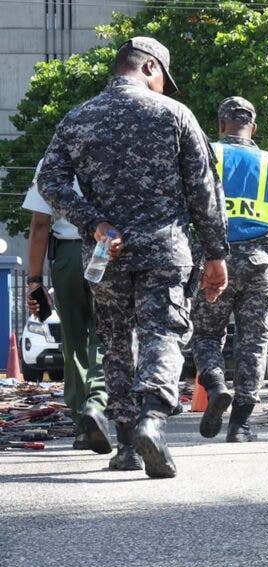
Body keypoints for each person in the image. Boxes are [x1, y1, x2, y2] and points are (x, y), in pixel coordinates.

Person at [38, 37, 229, 479]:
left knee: (117, 342)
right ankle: (151, 419)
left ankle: (126, 447)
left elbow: (50, 181)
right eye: (163, 77)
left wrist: (93, 222)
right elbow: (204, 192)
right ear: (148, 67)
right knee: (163, 331)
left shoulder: (78, 118)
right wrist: (217, 254)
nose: (164, 87)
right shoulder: (175, 116)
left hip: (107, 251)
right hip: (165, 248)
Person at [192, 96, 268, 442]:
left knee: (207, 335)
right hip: (259, 268)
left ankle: (215, 383)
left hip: (214, 265)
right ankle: (239, 426)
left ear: (221, 124)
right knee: (254, 345)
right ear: (253, 128)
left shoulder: (206, 156)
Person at [22, 160, 110, 456]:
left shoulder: (51, 162)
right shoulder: (115, 152)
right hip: (108, 250)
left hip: (68, 256)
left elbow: (40, 225)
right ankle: (98, 404)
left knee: (73, 339)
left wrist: (35, 280)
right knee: (108, 334)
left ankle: (83, 422)